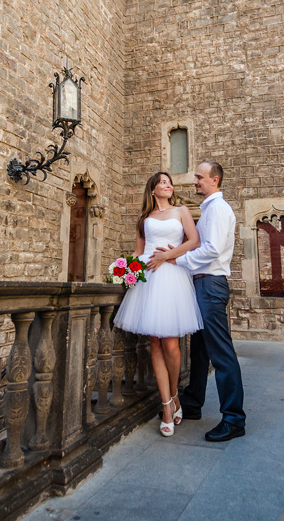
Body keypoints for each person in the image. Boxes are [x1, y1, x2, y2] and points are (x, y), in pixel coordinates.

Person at [148, 161, 246, 442]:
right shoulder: (208, 209)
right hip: (201, 283)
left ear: (214, 180)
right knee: (200, 350)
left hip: (211, 284)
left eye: (200, 178)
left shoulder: (217, 209)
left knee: (221, 352)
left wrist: (175, 259)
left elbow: (211, 249)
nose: (195, 182)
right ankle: (192, 403)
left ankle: (234, 418)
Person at [113, 171, 203, 437]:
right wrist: (121, 268)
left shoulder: (182, 210)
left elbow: (194, 241)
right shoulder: (144, 218)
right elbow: (139, 251)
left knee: (171, 345)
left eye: (169, 182)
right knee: (154, 342)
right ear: (153, 189)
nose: (167, 185)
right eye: (162, 182)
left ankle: (175, 393)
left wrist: (167, 256)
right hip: (149, 280)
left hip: (172, 277)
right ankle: (166, 406)